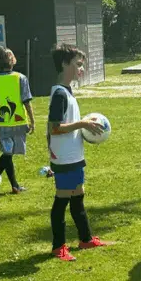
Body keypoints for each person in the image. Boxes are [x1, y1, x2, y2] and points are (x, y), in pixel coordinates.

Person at [47, 43, 112, 261]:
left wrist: (84, 125)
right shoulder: (59, 94)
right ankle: (58, 247)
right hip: (65, 157)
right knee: (62, 200)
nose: (81, 69)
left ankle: (85, 239)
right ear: (65, 64)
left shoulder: (68, 92)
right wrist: (82, 124)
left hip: (74, 155)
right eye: (78, 64)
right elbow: (54, 128)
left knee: (78, 197)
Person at [0, 46, 35, 194]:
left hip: (3, 123)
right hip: (18, 122)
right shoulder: (21, 78)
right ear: (13, 61)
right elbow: (26, 101)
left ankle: (14, 186)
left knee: (8, 154)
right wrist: (32, 120)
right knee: (8, 155)